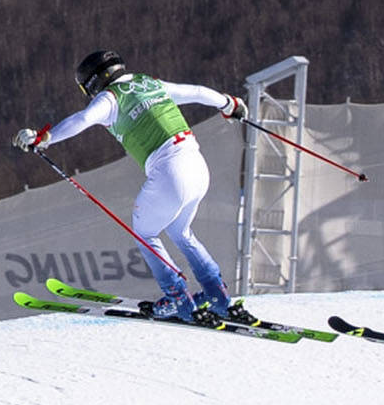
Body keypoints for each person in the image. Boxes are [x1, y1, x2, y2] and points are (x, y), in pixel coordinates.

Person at [19, 52, 253, 323]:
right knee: (180, 231)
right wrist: (229, 104)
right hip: (197, 166)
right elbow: (198, 92)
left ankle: (178, 298)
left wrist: (44, 138)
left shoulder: (110, 99)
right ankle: (217, 295)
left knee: (145, 232)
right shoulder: (149, 83)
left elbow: (82, 120)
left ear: (92, 83)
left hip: (170, 172)